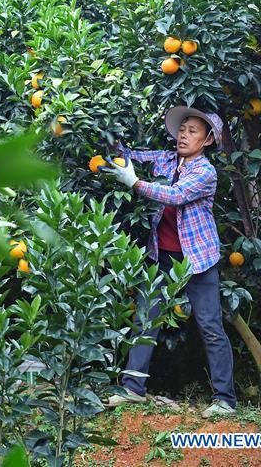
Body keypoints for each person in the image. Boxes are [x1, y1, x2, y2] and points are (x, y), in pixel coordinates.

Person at [99, 105, 237, 418]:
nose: (184, 135)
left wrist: (133, 183)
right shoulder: (166, 159)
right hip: (162, 256)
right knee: (146, 319)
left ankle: (225, 399)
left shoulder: (205, 172)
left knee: (210, 326)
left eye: (193, 131)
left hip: (197, 260)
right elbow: (131, 156)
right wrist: (107, 131)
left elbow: (174, 195)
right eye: (183, 129)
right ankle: (133, 389)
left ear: (207, 141)